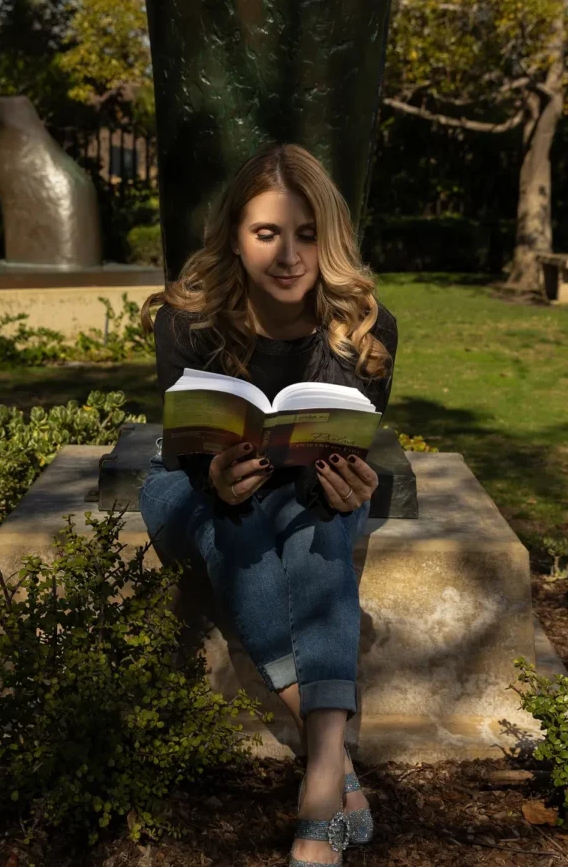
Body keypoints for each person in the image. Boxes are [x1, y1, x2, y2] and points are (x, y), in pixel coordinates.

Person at [139, 142, 398, 866]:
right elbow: (186, 458)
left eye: (307, 234)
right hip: (193, 491)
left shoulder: (364, 331)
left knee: (317, 529)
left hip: (311, 494)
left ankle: (319, 779)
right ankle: (335, 768)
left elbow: (340, 459)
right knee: (238, 526)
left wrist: (347, 487)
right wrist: (216, 478)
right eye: (267, 234)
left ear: (331, 239)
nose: (289, 255)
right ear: (234, 236)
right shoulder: (183, 320)